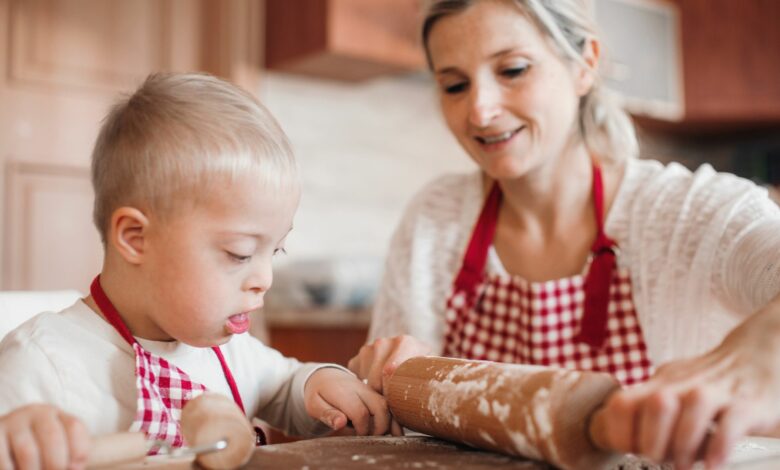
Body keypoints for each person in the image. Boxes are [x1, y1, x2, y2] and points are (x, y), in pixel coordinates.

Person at [347, 1, 780, 469]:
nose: (481, 110)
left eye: (512, 69)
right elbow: (393, 426)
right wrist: (393, 372)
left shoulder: (691, 211)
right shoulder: (434, 218)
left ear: (585, 65)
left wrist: (763, 347)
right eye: (455, 85)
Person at [0, 73, 393, 469]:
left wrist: (321, 383)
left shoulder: (230, 352)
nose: (265, 279)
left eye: (275, 250)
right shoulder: (43, 361)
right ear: (136, 238)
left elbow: (286, 385)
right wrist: (20, 437)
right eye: (239, 254)